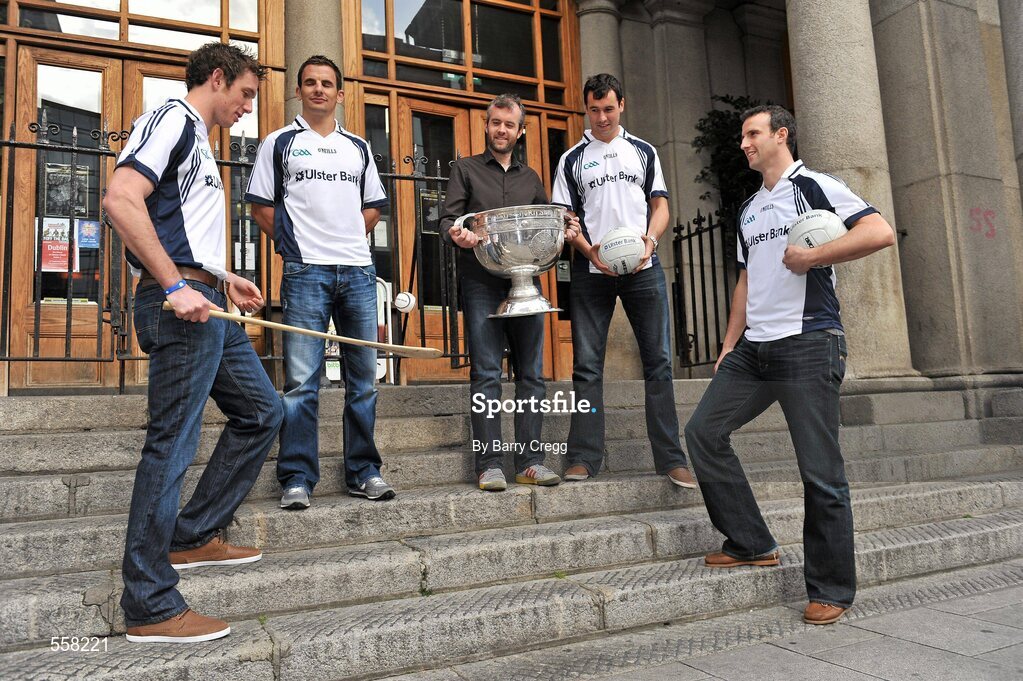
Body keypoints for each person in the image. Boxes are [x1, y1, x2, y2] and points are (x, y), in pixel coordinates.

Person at [684, 105, 897, 626]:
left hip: (808, 344)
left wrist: (811, 258)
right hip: (754, 350)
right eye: (742, 136)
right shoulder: (751, 207)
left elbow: (879, 232)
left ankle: (832, 589)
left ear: (782, 135)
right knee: (703, 433)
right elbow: (747, 280)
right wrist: (729, 343)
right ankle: (750, 540)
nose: (744, 143)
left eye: (752, 133)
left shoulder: (816, 186)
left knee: (820, 474)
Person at [104, 42, 282, 643]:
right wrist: (176, 283)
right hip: (179, 308)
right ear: (216, 78)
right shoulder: (173, 118)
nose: (248, 109)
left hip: (209, 304)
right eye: (246, 94)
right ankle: (150, 603)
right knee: (171, 446)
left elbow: (176, 230)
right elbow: (119, 199)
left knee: (263, 411)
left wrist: (223, 277)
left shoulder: (203, 144)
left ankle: (192, 535)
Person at [246, 55, 393, 509]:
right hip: (306, 273)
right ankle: (296, 478)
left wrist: (347, 237)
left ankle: (364, 472)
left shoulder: (359, 147)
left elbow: (372, 206)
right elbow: (259, 205)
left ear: (340, 94)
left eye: (327, 83)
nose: (318, 90)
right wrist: (296, 248)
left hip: (357, 272)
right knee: (301, 383)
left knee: (363, 381)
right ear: (298, 91)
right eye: (309, 82)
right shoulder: (279, 142)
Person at [552, 73, 695, 489]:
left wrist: (650, 242)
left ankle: (671, 458)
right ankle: (582, 457)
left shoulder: (644, 152)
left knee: (659, 363)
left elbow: (661, 206)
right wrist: (588, 250)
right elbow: (566, 219)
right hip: (592, 270)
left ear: (622, 106)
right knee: (587, 366)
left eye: (608, 109)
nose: (601, 117)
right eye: (594, 110)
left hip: (642, 268)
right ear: (585, 109)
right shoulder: (571, 159)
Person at [441, 94, 577, 491]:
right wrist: (459, 235)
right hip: (481, 281)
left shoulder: (531, 178)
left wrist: (565, 232)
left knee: (532, 374)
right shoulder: (464, 170)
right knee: (486, 372)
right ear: (487, 126)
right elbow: (449, 219)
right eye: (495, 122)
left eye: (509, 124)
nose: (501, 130)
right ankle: (489, 464)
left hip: (526, 282)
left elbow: (546, 228)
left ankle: (530, 461)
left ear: (520, 131)